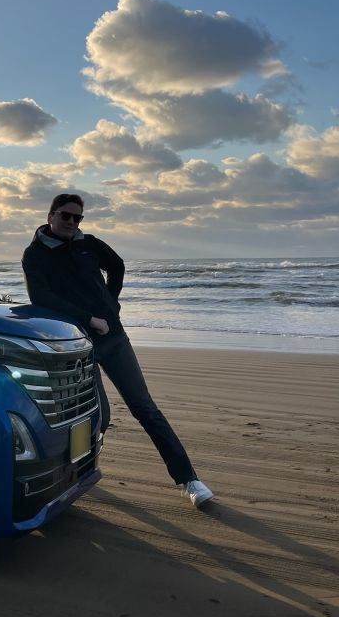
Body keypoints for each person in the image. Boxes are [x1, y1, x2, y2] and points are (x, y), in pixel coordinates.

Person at [21, 193, 214, 508]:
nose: (71, 222)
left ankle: (189, 479)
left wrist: (111, 304)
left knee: (145, 408)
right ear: (50, 216)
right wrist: (87, 319)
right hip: (76, 345)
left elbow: (118, 267)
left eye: (77, 217)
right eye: (65, 216)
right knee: (95, 416)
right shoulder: (34, 255)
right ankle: (79, 473)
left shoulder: (90, 245)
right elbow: (41, 298)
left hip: (114, 339)